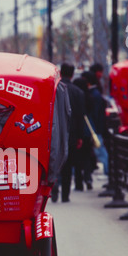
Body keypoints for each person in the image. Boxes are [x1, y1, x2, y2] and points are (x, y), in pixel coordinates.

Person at [57, 63, 85, 202]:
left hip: (55, 133)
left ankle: (54, 190)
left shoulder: (53, 89)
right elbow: (80, 116)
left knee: (55, 162)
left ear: (60, 73)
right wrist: (80, 136)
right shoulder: (78, 92)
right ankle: (65, 195)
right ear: (72, 74)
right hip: (72, 133)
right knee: (68, 163)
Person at [82, 71, 109, 177]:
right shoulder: (95, 93)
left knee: (100, 152)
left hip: (95, 127)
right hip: (96, 127)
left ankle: (109, 172)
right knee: (100, 151)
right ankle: (109, 173)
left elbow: (95, 114)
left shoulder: (94, 94)